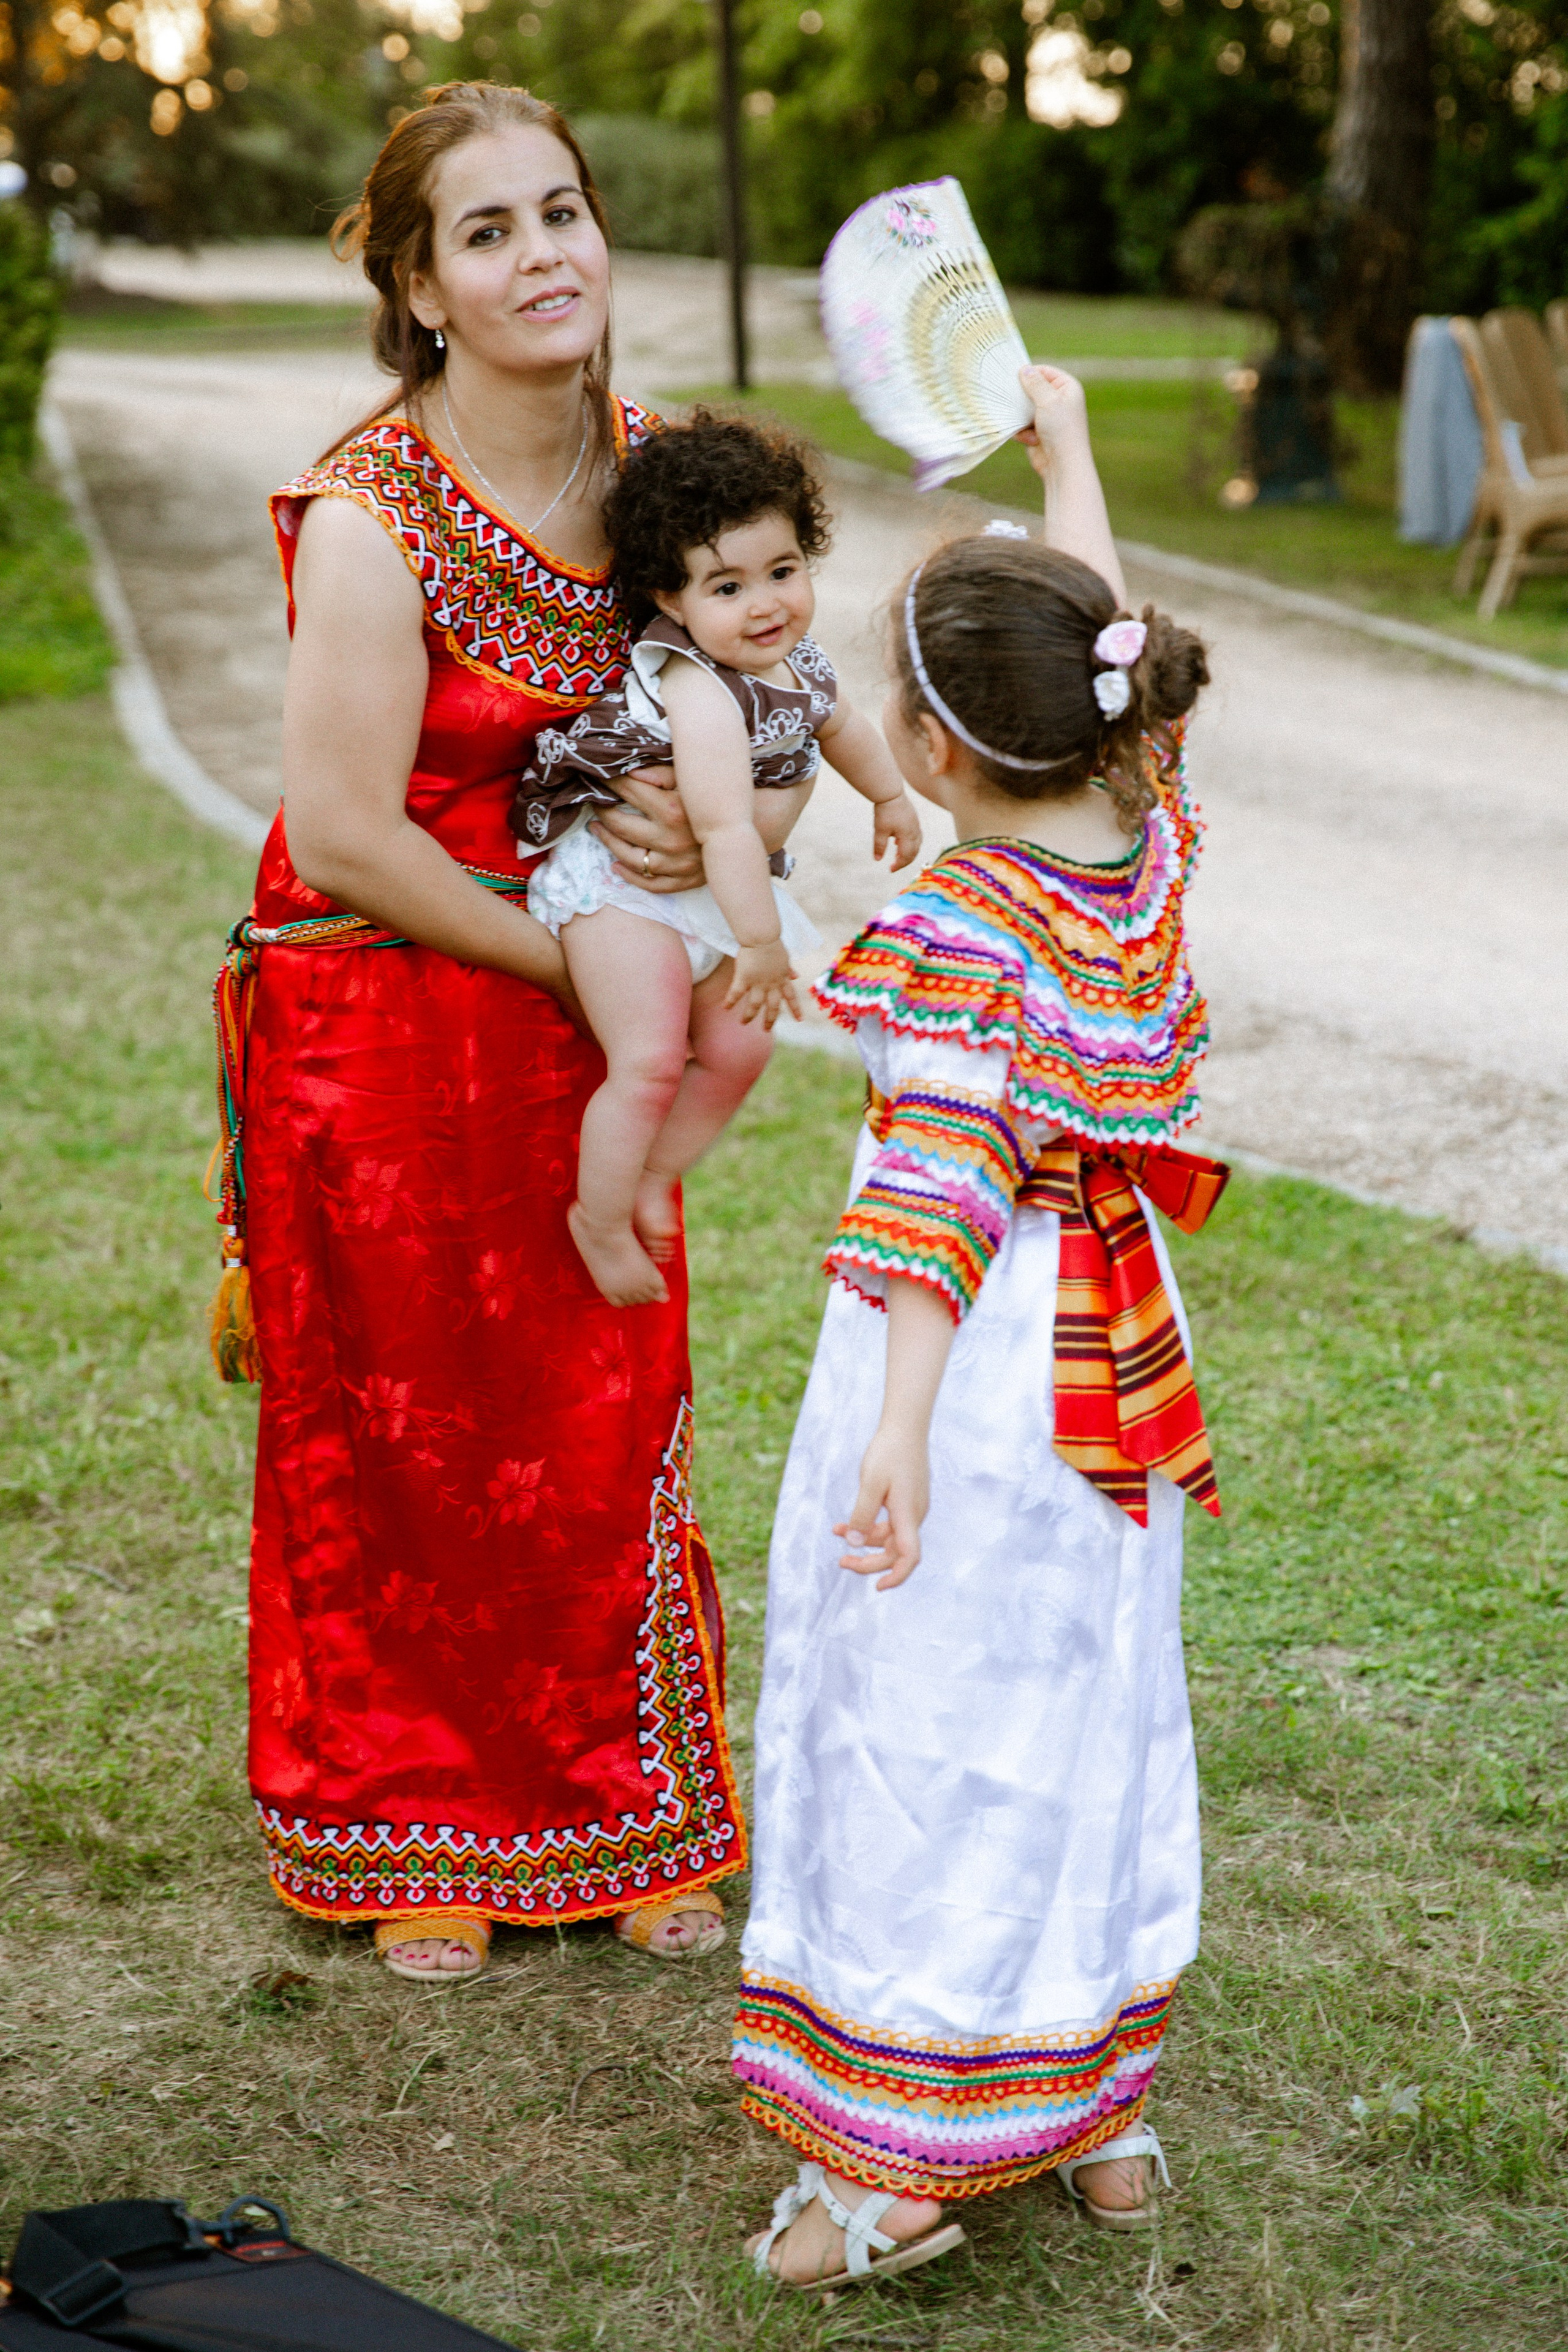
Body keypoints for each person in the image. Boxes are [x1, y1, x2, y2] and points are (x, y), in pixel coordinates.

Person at [226, 83, 752, 1983]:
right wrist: (579, 960)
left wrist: (728, 839)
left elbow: (768, 705)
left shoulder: (678, 473)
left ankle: (629, 1811)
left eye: (565, 211)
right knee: (412, 1432)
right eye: (490, 231)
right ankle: (416, 1819)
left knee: (605, 1403)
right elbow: (351, 828)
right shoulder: (373, 510)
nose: (546, 257)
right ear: (421, 285)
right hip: (387, 1013)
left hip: (599, 1015)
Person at [732, 365, 1228, 2288]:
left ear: (930, 760)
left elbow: (936, 1183)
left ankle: (900, 2174)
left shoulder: (960, 931)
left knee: (926, 1719)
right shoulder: (1142, 839)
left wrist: (898, 1434)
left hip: (997, 1357)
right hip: (1124, 1335)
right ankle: (1098, 2118)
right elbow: (1093, 651)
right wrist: (1072, 457)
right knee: (1086, 1703)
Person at [512, 412, 922, 1307]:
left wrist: (889, 796)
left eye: (782, 572)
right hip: (623, 892)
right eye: (727, 587)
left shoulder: (797, 662)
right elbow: (726, 829)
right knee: (653, 1058)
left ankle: (659, 1171)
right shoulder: (697, 685)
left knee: (739, 1049)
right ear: (673, 599)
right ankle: (599, 1216)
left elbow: (841, 725)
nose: (766, 603)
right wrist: (764, 942)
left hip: (710, 896)